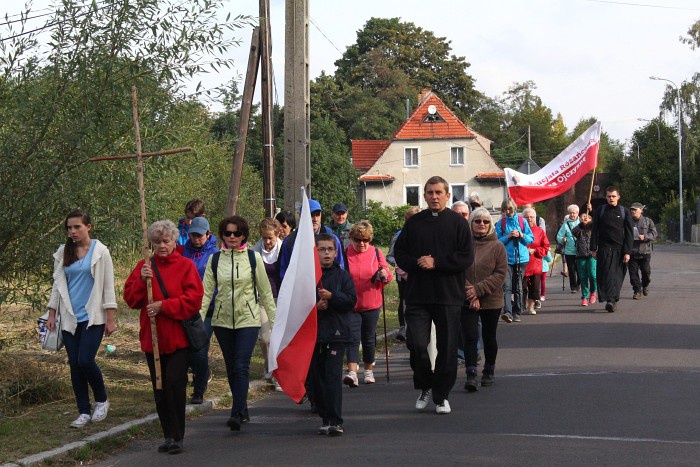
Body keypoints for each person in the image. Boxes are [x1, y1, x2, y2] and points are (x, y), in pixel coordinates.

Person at [395, 176, 474, 415]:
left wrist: (436, 262)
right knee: (416, 344)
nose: (434, 196)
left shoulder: (458, 224)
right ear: (425, 196)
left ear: (448, 195)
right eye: (429, 192)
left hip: (448, 295)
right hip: (418, 295)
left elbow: (465, 257)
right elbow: (400, 253)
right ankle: (425, 385)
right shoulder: (415, 223)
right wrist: (418, 263)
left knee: (447, 349)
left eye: (438, 192)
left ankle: (441, 396)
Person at [123, 220, 204, 454]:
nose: (161, 246)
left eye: (166, 241)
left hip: (178, 338)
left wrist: (164, 306)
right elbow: (131, 299)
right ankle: (167, 434)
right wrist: (141, 280)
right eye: (156, 242)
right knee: (159, 388)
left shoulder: (186, 266)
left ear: (174, 242)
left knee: (174, 383)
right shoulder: (144, 266)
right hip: (153, 339)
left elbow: (193, 299)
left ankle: (178, 436)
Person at [200, 215, 276, 431]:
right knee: (232, 368)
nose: (232, 237)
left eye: (237, 233)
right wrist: (198, 318)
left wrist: (274, 320)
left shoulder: (254, 259)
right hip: (222, 321)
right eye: (227, 233)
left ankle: (236, 410)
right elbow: (206, 293)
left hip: (248, 320)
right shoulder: (215, 260)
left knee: (241, 366)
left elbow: (265, 293)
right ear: (222, 235)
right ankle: (243, 408)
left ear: (244, 235)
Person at [46, 209, 117, 428]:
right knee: (75, 365)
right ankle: (83, 411)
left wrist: (111, 317)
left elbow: (108, 285)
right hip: (69, 317)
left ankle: (102, 400)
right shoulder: (63, 251)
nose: (73, 231)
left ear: (88, 227)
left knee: (85, 360)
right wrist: (52, 313)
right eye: (69, 227)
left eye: (77, 227)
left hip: (93, 316)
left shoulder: (100, 251)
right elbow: (57, 285)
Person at [311, 233, 357, 437]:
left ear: (336, 252)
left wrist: (332, 296)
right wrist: (316, 307)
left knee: (332, 377)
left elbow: (351, 301)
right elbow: (300, 305)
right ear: (316, 252)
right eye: (322, 249)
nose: (326, 253)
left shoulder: (343, 276)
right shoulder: (309, 277)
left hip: (336, 333)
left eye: (330, 249)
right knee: (316, 379)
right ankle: (324, 416)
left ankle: (335, 420)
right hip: (314, 335)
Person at [343, 221, 393, 386]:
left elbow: (386, 275)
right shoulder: (344, 254)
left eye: (366, 240)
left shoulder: (377, 253)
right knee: (352, 338)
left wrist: (384, 275)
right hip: (351, 304)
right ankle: (352, 372)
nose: (362, 244)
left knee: (369, 338)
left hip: (371, 303)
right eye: (358, 240)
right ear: (351, 238)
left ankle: (369, 370)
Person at [462, 208, 507, 391]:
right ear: (471, 223)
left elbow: (500, 273)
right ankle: (471, 373)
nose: (481, 224)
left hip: (491, 299)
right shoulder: (462, 245)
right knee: (470, 336)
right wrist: (470, 293)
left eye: (486, 222)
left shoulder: (498, 247)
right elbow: (457, 269)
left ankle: (489, 370)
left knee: (489, 336)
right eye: (477, 221)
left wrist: (478, 291)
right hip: (466, 298)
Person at [181, 216, 218, 404]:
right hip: (185, 307)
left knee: (200, 350)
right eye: (192, 235)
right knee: (186, 350)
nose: (195, 239)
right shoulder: (184, 251)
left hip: (207, 308)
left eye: (199, 236)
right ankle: (188, 382)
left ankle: (199, 390)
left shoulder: (215, 254)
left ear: (208, 234)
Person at [591, 186, 634, 312]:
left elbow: (629, 233)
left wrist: (627, 251)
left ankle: (612, 300)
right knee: (605, 275)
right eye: (609, 196)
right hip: (604, 248)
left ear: (618, 197)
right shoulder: (600, 211)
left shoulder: (624, 211)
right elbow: (595, 230)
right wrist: (593, 248)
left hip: (619, 249)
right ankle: (610, 299)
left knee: (616, 276)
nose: (611, 198)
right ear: (606, 197)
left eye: (613, 196)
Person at [251, 218, 283, 382]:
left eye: (270, 237)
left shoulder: (284, 249)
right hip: (263, 299)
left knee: (280, 337)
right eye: (264, 238)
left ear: (277, 234)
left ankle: (278, 369)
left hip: (282, 298)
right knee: (266, 338)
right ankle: (269, 366)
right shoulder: (254, 252)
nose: (267, 241)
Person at [279, 199, 344, 280]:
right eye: (311, 215)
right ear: (302, 216)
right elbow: (283, 270)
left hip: (328, 289)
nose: (315, 219)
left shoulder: (332, 237)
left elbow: (341, 266)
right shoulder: (291, 241)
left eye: (318, 215)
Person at [495, 198, 533, 323]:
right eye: (505, 209)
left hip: (521, 258)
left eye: (510, 209)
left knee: (517, 286)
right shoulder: (501, 223)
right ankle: (507, 312)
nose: (507, 211)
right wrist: (509, 236)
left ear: (514, 209)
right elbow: (497, 242)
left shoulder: (522, 221)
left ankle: (517, 312)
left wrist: (521, 235)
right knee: (506, 286)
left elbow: (530, 239)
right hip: (506, 259)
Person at [386, 207, 421, 342]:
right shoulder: (399, 235)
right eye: (411, 219)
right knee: (405, 300)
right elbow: (390, 256)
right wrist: (400, 265)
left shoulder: (425, 233)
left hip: (421, 275)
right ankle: (404, 328)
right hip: (404, 276)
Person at [522, 207, 550, 315]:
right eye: (527, 217)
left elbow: (546, 247)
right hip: (522, 264)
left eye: (531, 217)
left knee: (534, 288)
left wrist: (535, 250)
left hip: (535, 264)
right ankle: (522, 305)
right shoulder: (520, 230)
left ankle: (531, 306)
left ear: (535, 218)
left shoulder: (540, 232)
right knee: (522, 287)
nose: (529, 219)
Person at [628, 203, 657, 300]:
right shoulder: (628, 221)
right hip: (632, 252)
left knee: (646, 272)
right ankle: (637, 291)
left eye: (635, 209)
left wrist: (644, 237)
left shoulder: (648, 221)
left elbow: (654, 234)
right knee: (633, 274)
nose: (633, 211)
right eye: (632, 209)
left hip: (645, 252)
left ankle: (645, 285)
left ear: (641, 210)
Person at [571, 212, 597, 306]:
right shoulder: (579, 228)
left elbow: (598, 229)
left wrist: (590, 223)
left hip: (592, 255)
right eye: (582, 217)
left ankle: (593, 291)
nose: (584, 219)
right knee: (583, 277)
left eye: (587, 217)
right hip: (580, 255)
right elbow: (573, 232)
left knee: (593, 275)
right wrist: (582, 224)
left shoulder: (594, 228)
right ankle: (585, 296)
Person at [556, 204, 581, 294]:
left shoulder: (581, 222)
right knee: (571, 269)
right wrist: (562, 239)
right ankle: (573, 287)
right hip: (569, 251)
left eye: (574, 213)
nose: (572, 215)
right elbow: (559, 236)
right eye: (570, 213)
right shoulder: (565, 224)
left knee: (579, 269)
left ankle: (579, 284)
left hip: (580, 250)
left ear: (578, 213)